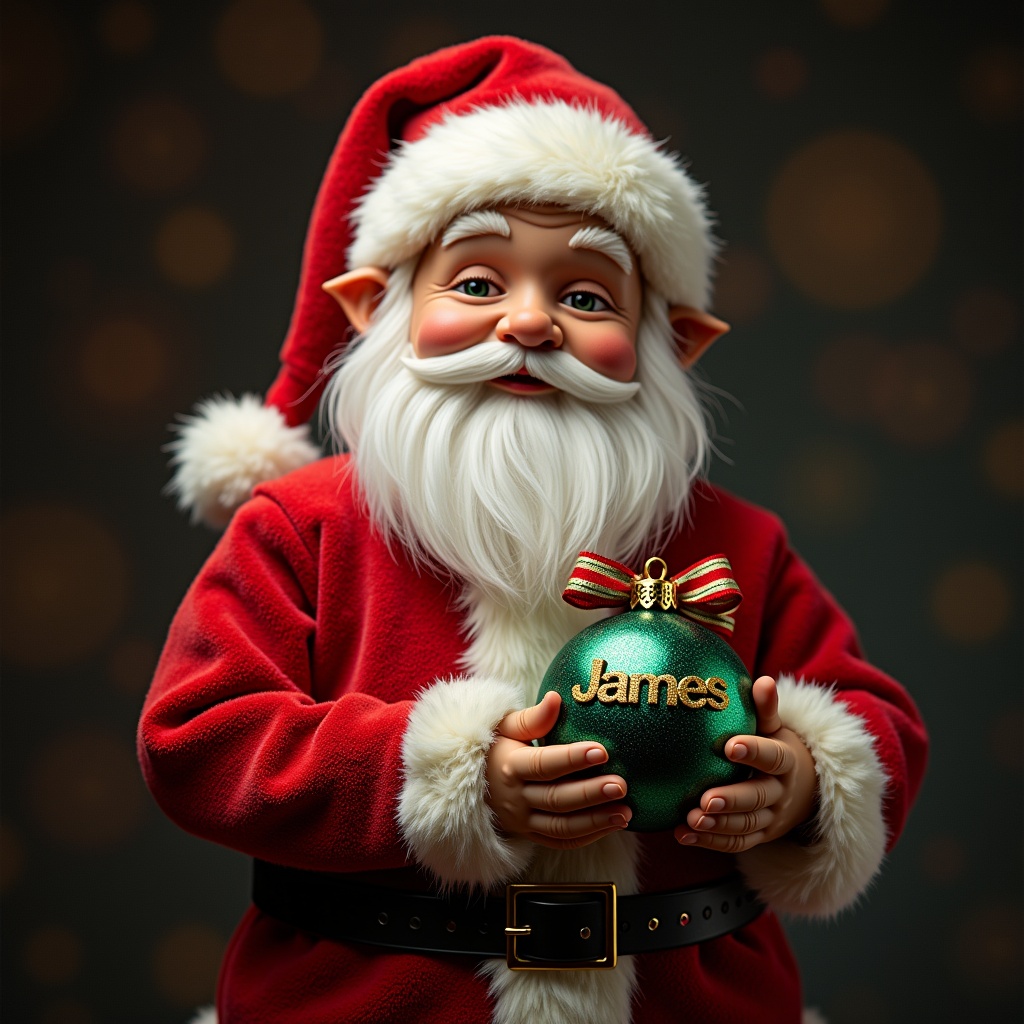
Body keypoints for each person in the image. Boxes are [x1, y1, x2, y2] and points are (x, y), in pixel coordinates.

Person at [139, 36, 928, 1024]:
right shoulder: (301, 525)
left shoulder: (742, 541)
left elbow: (873, 714)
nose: (528, 322)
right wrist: (440, 776)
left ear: (668, 343)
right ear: (375, 305)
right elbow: (198, 736)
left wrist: (808, 782)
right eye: (475, 282)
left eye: (585, 295)